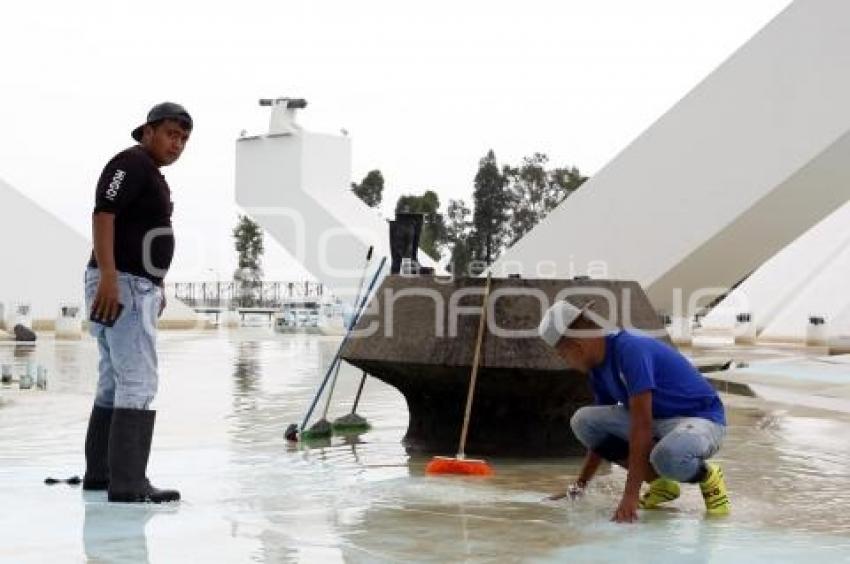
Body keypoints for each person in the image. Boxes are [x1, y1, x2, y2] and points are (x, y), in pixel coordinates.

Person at [82, 102, 192, 503]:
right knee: (138, 380)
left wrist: (157, 284)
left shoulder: (150, 173)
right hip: (123, 283)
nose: (177, 144)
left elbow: (142, 230)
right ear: (147, 131)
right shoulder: (129, 163)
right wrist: (111, 278)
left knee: (113, 378)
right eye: (170, 134)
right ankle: (128, 483)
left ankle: (102, 474)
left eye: (183, 138)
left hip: (133, 282)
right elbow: (104, 213)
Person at [538, 300, 730, 522]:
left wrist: (630, 496)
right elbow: (601, 438)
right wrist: (579, 486)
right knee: (584, 421)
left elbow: (642, 425)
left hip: (701, 421)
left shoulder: (631, 349)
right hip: (658, 423)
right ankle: (661, 484)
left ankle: (707, 476)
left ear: (576, 346)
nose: (567, 362)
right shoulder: (597, 370)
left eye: (563, 355)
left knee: (667, 456)